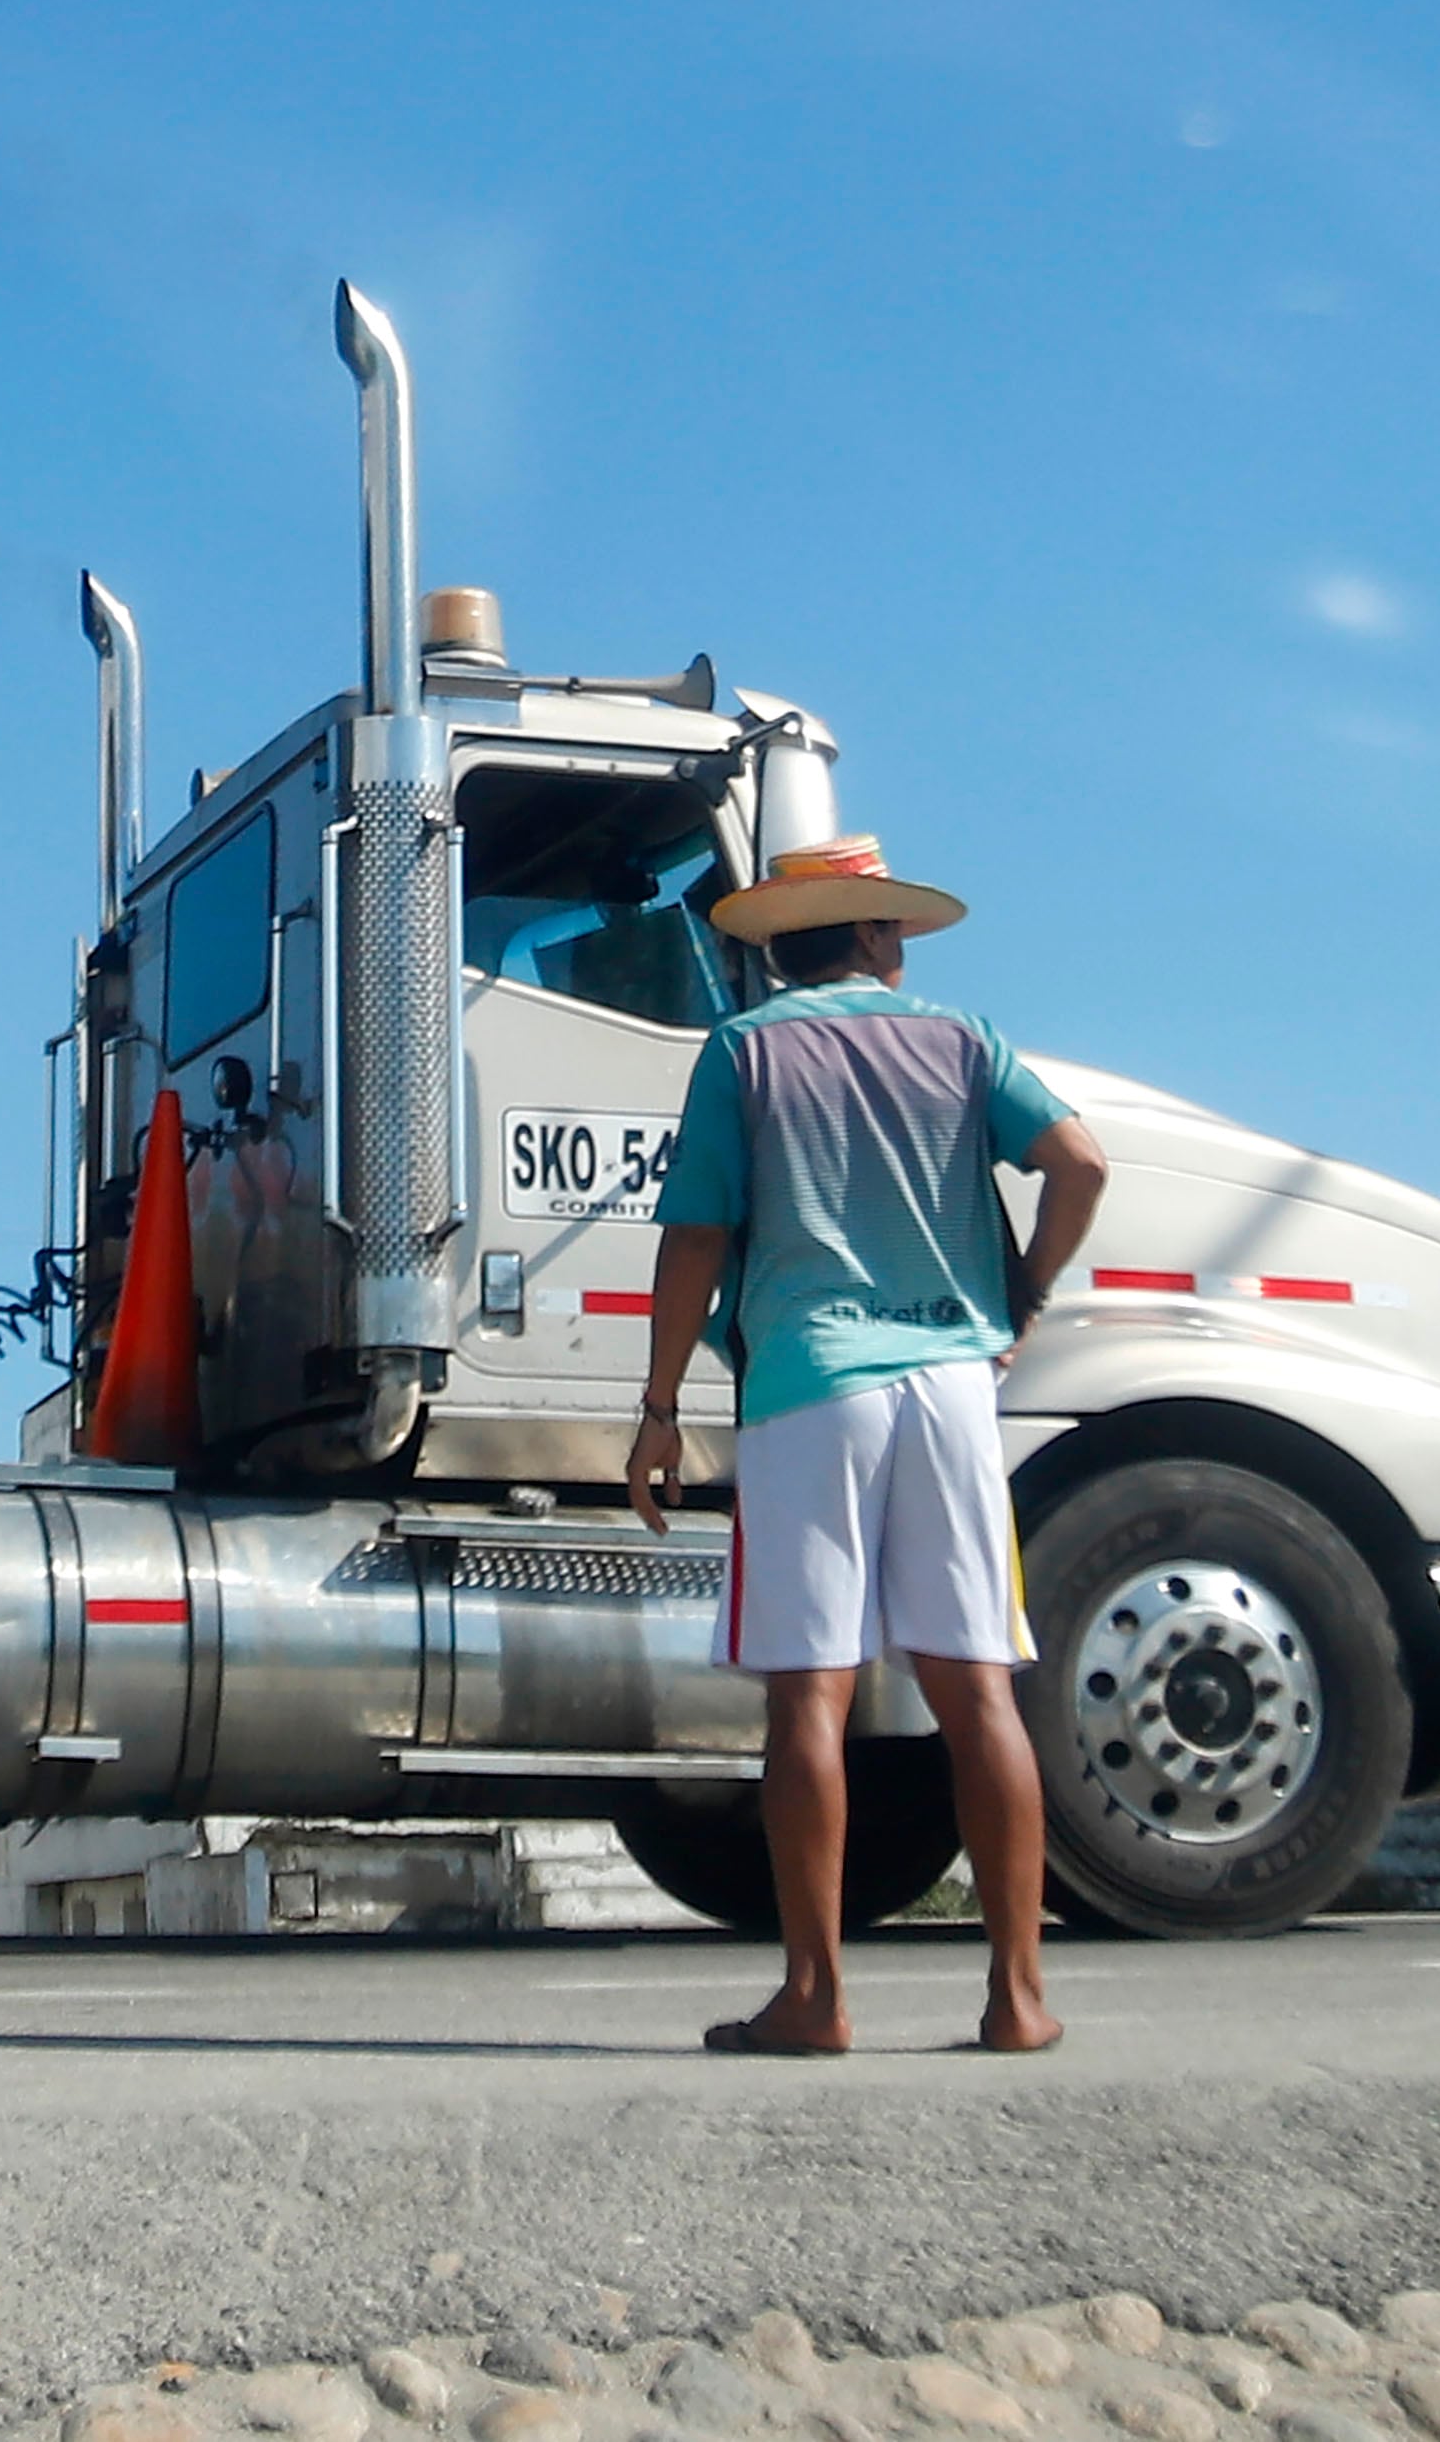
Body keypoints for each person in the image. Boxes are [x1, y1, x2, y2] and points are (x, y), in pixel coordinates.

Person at [625, 834, 1108, 2055]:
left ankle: (816, 1997)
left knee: (810, 1697)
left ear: (779, 948)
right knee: (976, 1690)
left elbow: (694, 1236)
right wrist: (1025, 1294)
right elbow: (1081, 1163)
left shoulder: (744, 1050)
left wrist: (661, 1405)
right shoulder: (962, 1040)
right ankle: (1017, 1998)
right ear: (878, 937)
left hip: (806, 1385)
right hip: (950, 1386)